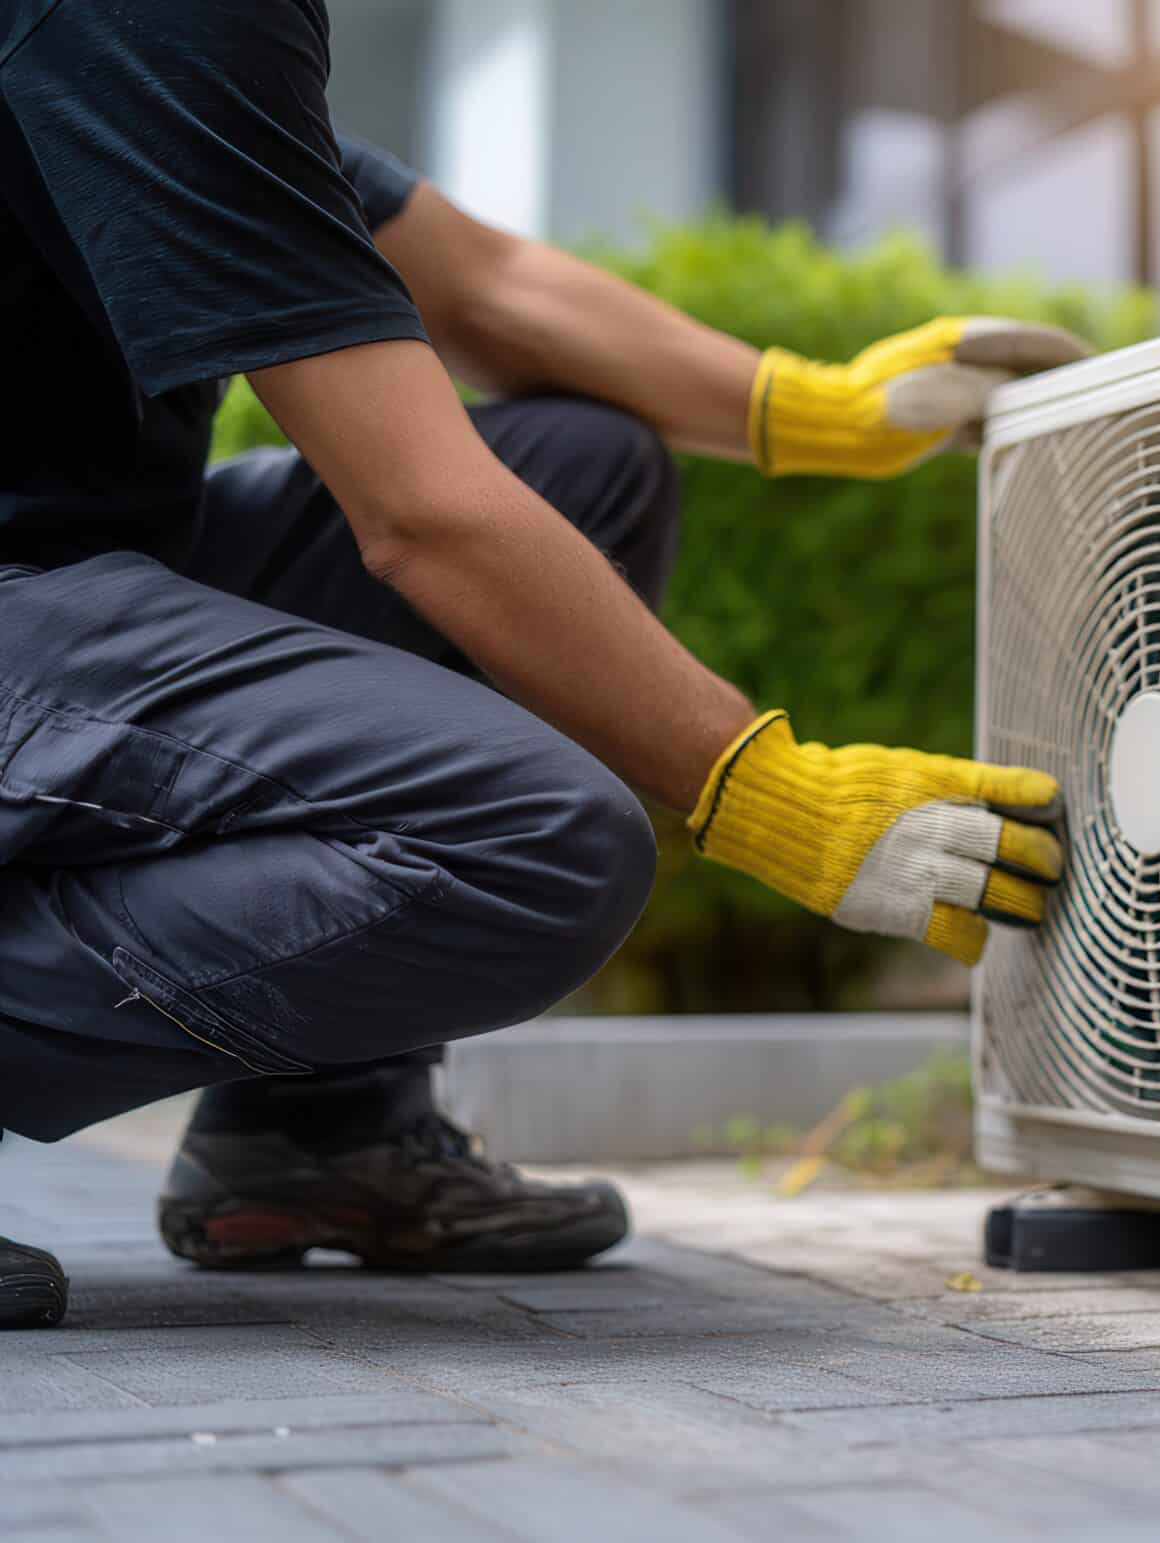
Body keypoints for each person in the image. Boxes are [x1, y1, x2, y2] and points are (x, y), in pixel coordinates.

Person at [0, 0, 1083, 1329]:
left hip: (65, 579)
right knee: (533, 843)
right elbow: (419, 509)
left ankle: (316, 1141)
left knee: (584, 469)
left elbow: (480, 284)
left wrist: (814, 409)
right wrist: (761, 790)